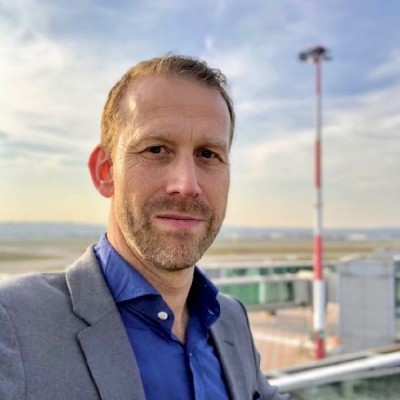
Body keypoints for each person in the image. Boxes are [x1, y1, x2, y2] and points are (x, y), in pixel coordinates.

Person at [0, 55, 288, 400]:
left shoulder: (229, 321)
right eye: (156, 149)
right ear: (106, 172)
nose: (187, 185)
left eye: (208, 154)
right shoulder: (14, 324)